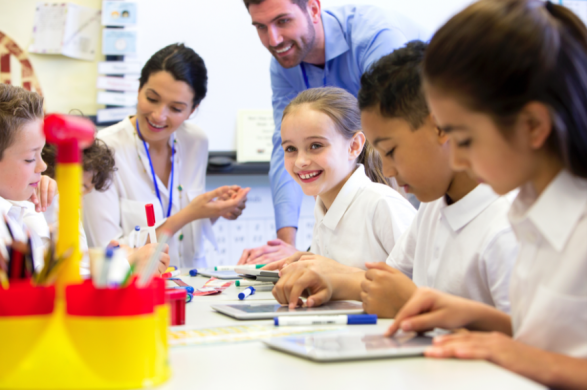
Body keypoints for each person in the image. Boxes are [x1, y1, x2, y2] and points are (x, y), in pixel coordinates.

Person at [387, 1, 587, 388]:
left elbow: (549, 359)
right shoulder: (530, 210)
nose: (457, 160)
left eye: (464, 139)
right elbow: (559, 339)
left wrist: (518, 355)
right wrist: (476, 317)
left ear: (532, 125)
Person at [269, 42, 517, 317]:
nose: (386, 171)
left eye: (391, 151)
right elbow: (388, 282)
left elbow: (529, 345)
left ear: (440, 127)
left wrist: (411, 304)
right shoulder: (433, 208)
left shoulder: (508, 227)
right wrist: (329, 278)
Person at [239, 0, 425, 264]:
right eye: (260, 26)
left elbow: (398, 127)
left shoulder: (375, 35)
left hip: (421, 165)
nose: (274, 39)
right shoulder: (285, 61)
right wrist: (285, 247)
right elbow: (284, 143)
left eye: (283, 21)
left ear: (313, 9)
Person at [83, 44, 249, 269]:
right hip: (133, 291)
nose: (159, 115)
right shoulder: (103, 149)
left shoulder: (195, 142)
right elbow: (105, 253)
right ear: (139, 89)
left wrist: (215, 210)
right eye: (152, 98)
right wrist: (190, 213)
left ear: (193, 109)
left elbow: (188, 233)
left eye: (176, 108)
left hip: (191, 283)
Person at [269, 87, 416, 304]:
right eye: (290, 149)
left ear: (354, 146)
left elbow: (423, 288)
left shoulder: (382, 204)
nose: (300, 161)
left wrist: (336, 273)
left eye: (316, 146)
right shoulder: (323, 205)